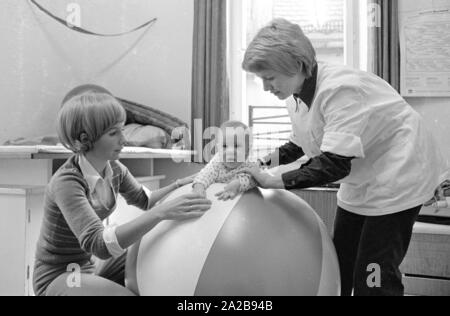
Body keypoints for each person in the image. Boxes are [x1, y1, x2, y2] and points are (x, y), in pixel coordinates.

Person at [241, 18, 448, 296]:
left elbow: (333, 164)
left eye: (269, 77)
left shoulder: (341, 90)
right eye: (260, 79)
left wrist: (270, 180)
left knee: (373, 272)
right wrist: (262, 163)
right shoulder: (295, 94)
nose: (265, 87)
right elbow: (301, 142)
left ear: (298, 65)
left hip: (399, 174)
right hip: (362, 175)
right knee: (341, 260)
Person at [33, 89, 211, 296]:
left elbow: (145, 200)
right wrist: (162, 213)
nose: (123, 139)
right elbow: (98, 244)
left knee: (152, 249)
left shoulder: (114, 168)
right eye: (113, 133)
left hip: (89, 269)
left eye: (121, 130)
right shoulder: (67, 183)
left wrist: (179, 185)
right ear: (85, 139)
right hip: (58, 276)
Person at [192, 121, 258, 201]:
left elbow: (256, 179)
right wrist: (199, 186)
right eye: (224, 146)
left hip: (242, 203)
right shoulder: (218, 160)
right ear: (218, 148)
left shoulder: (250, 163)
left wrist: (238, 183)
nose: (230, 152)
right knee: (197, 176)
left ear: (247, 150)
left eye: (236, 146)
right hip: (216, 202)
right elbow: (206, 173)